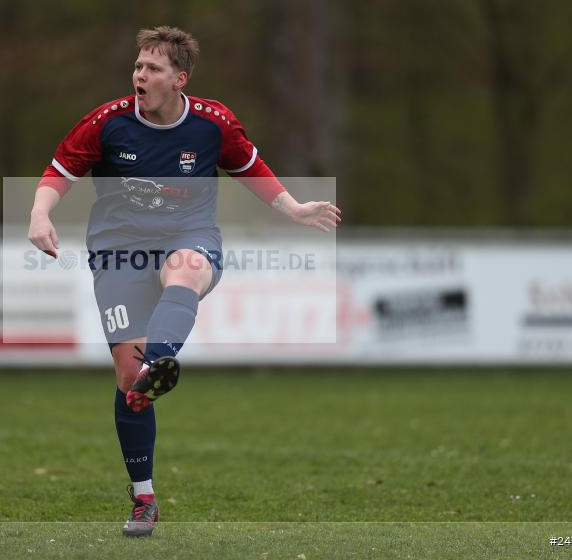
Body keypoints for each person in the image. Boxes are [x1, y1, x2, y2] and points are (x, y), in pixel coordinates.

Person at [28, 27, 340, 536]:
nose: (139, 76)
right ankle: (143, 498)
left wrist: (295, 208)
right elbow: (57, 171)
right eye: (137, 67)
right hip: (119, 249)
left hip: (189, 235)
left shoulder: (213, 123)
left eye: (152, 69)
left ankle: (160, 358)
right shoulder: (106, 123)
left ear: (179, 79)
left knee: (186, 269)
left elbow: (250, 167)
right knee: (130, 384)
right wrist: (40, 214)